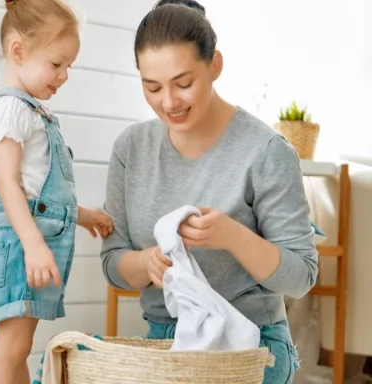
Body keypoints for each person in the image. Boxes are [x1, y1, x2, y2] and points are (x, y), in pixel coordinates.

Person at [100, 0, 317, 383]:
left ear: (215, 65)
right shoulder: (130, 149)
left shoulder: (265, 151)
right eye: (152, 87)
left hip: (251, 345)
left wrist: (233, 236)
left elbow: (300, 276)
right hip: (165, 341)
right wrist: (146, 262)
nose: (169, 102)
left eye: (184, 84)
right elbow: (113, 262)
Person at [0, 0, 114, 383]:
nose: (64, 74)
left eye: (69, 65)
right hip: (18, 244)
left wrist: (82, 215)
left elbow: (40, 192)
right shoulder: (10, 108)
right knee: (11, 348)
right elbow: (8, 183)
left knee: (19, 348)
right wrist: (33, 243)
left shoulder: (30, 111)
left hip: (27, 241)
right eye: (57, 64)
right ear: (18, 51)